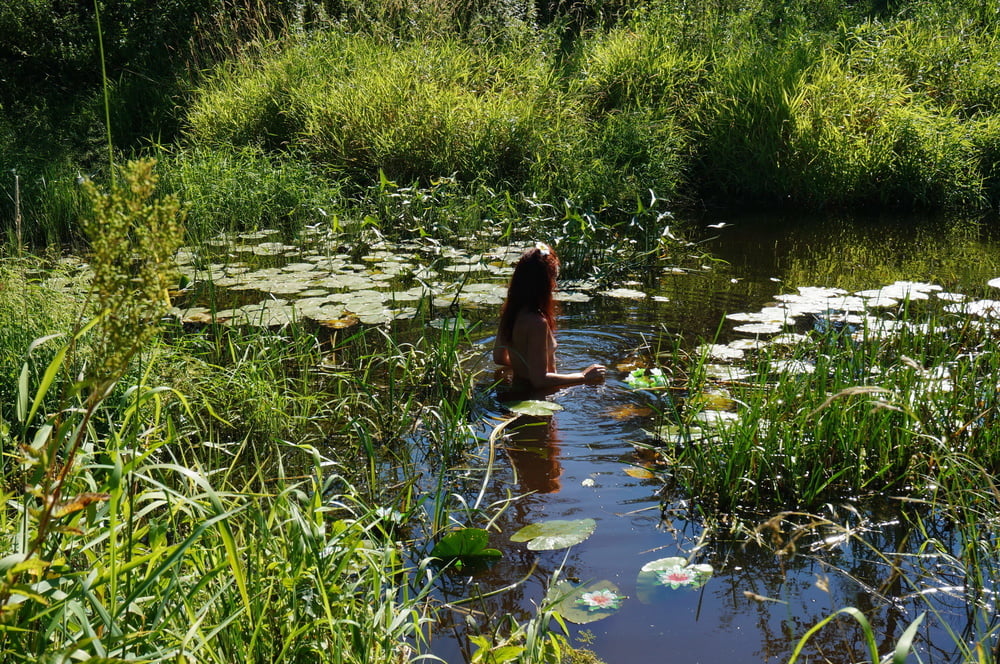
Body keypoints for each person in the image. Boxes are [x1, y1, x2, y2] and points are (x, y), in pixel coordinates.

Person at [493, 243, 606, 389]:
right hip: (536, 398)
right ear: (545, 283)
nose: (555, 285)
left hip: (517, 391)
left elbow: (499, 358)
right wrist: (583, 376)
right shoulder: (537, 323)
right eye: (553, 278)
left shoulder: (511, 312)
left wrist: (528, 366)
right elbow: (540, 381)